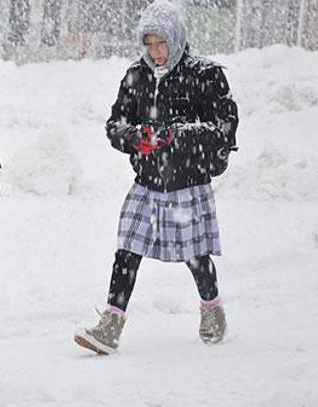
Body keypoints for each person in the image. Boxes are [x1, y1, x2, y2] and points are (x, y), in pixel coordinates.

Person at [73, 0, 238, 354]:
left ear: (176, 39)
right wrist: (135, 137)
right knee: (127, 251)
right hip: (147, 182)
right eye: (149, 44)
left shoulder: (205, 75)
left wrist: (177, 134)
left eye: (161, 43)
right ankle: (111, 325)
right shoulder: (136, 75)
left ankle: (212, 311)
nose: (155, 52)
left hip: (187, 182)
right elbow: (114, 124)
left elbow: (223, 129)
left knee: (195, 255)